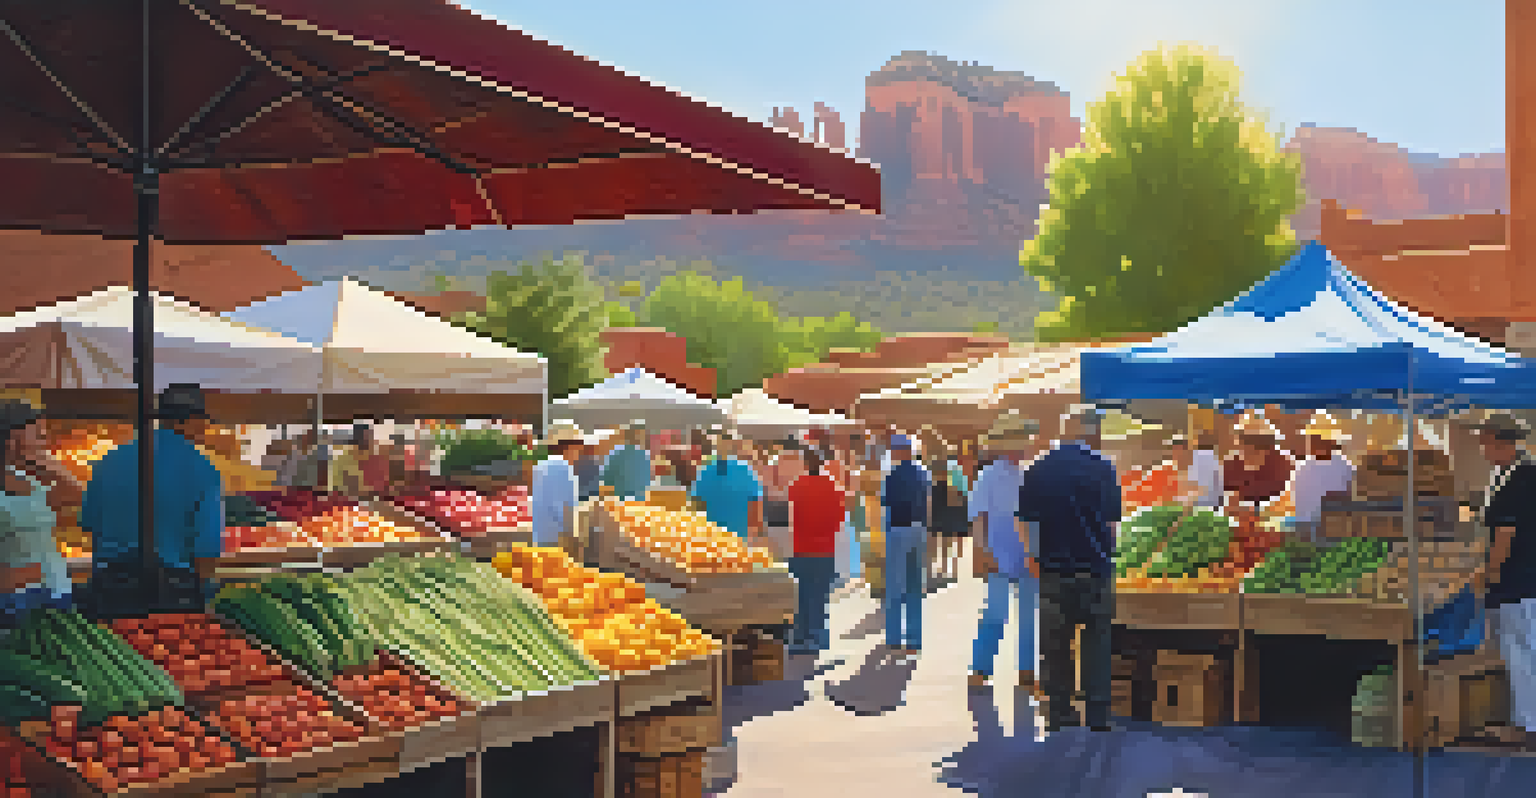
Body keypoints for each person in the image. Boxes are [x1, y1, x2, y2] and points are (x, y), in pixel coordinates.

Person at [80, 384, 224, 616]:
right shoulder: (203, 469)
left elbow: (89, 525)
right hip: (172, 591)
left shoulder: (110, 460)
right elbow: (206, 549)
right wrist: (204, 594)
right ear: (190, 421)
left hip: (110, 588)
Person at [1019, 406, 1120, 732]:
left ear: (1063, 431)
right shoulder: (1104, 468)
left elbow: (1025, 523)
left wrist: (1032, 557)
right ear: (1090, 432)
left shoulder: (1037, 469)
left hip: (1053, 569)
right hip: (1095, 567)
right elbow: (1112, 522)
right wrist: (1108, 553)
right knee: (1097, 641)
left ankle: (1059, 711)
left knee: (1055, 643)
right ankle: (1098, 713)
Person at [1467, 414, 1536, 747]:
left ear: (1499, 441)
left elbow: (1505, 533)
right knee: (1526, 649)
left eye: (1485, 441)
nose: (1482, 449)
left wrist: (1489, 572)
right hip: (1526, 576)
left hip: (1519, 579)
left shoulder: (1519, 479)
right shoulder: (1522, 473)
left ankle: (1527, 728)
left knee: (1521, 651)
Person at [968, 413, 1041, 691]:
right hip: (999, 553)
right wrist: (982, 551)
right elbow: (978, 517)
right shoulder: (989, 475)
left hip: (1026, 554)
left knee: (1027, 616)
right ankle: (980, 668)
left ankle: (1026, 671)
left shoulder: (1028, 473)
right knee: (996, 613)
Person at [0, 401, 72, 631]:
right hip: (17, 599)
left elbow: (76, 497)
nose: (45, 443)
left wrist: (52, 467)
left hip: (56, 592)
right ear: (13, 440)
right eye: (39, 436)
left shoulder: (32, 483)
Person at [787, 448, 844, 656]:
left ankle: (800, 636)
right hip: (825, 548)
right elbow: (838, 521)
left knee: (801, 595)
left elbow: (793, 516)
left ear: (804, 463)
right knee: (820, 595)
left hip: (802, 547)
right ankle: (817, 636)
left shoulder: (797, 486)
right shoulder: (834, 487)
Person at [881, 434, 930, 659]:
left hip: (898, 530)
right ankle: (914, 638)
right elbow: (928, 505)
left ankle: (893, 638)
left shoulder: (892, 476)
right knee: (914, 586)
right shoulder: (923, 473)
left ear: (899, 451)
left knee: (894, 586)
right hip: (919, 529)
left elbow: (886, 506)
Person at [1288, 412, 1356, 542]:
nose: (1313, 443)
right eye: (1311, 439)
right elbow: (1297, 503)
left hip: (1332, 531)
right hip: (1304, 529)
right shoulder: (1302, 467)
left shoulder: (1344, 467)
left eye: (1318, 439)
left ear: (1332, 441)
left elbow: (1350, 498)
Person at [690, 435, 765, 546]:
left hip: (712, 537)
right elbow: (756, 505)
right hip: (737, 537)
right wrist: (754, 533)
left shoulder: (705, 471)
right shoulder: (747, 472)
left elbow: (696, 505)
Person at [1222, 412, 1295, 516]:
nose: (1247, 446)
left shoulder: (1282, 463)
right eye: (1243, 439)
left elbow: (1287, 501)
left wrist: (1251, 509)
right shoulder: (1231, 464)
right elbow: (1223, 498)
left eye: (1256, 441)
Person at [531, 426, 583, 548]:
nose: (580, 451)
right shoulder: (563, 467)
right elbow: (564, 510)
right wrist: (575, 537)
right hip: (557, 540)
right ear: (569, 446)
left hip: (541, 538)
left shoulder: (541, 466)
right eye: (579, 446)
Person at [601, 422, 653, 501]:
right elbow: (647, 480)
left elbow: (607, 478)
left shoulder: (617, 453)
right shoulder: (643, 455)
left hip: (622, 498)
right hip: (634, 499)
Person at [1190, 431, 1224, 509]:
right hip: (1213, 502)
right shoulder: (1216, 459)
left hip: (1196, 502)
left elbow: (1190, 479)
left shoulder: (1193, 458)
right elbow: (1219, 482)